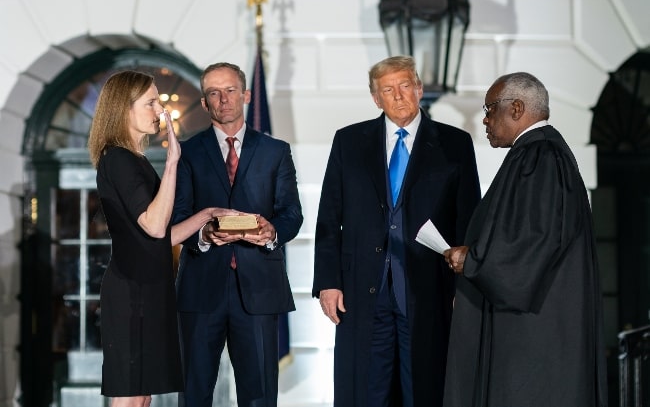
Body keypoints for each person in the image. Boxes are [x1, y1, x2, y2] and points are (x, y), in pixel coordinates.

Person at [313, 55, 481, 407]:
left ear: (419, 89)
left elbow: (468, 219)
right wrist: (328, 282)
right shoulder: (348, 142)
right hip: (362, 291)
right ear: (376, 98)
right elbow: (329, 217)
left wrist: (463, 288)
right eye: (388, 89)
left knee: (423, 388)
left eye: (405, 85)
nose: (399, 95)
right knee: (367, 390)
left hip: (428, 289)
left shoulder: (455, 144)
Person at [442, 72, 608, 407]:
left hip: (534, 335)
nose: (485, 120)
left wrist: (473, 261)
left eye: (490, 109)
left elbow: (533, 241)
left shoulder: (541, 156)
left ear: (517, 108)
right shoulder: (538, 155)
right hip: (537, 326)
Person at [88, 70, 236, 407]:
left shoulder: (133, 160)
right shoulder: (119, 159)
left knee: (142, 397)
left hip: (149, 288)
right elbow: (154, 227)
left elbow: (162, 236)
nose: (160, 110)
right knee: (131, 396)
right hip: (132, 291)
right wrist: (172, 162)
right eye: (151, 102)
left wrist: (207, 215)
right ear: (124, 108)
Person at [172, 62, 303, 407]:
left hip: (259, 288)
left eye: (230, 90)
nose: (223, 99)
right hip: (201, 290)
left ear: (245, 95)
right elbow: (178, 216)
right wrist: (204, 235)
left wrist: (272, 231)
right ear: (204, 103)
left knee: (259, 397)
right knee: (195, 394)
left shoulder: (276, 151)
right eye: (214, 92)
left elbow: (292, 213)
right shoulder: (187, 153)